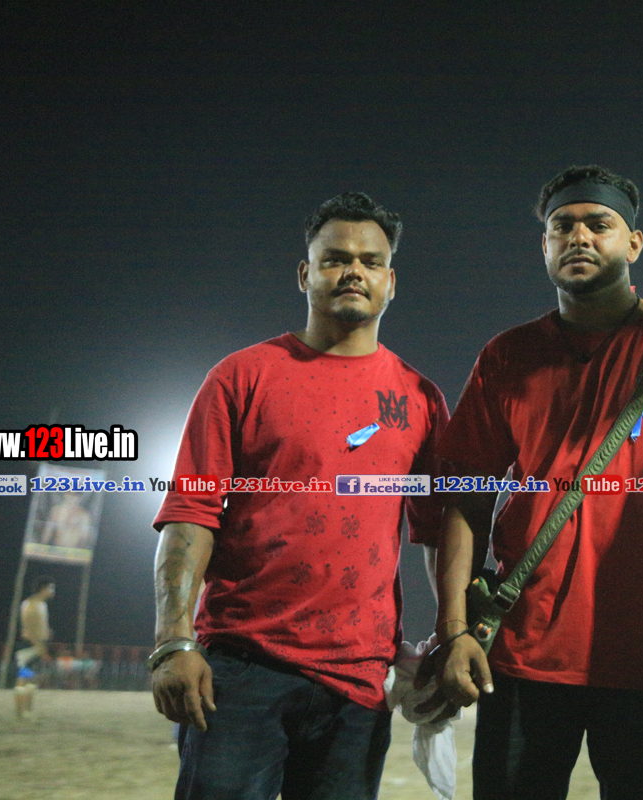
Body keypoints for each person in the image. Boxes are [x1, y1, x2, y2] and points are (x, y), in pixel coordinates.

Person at [431, 165, 643, 799]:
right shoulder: (507, 356)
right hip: (523, 653)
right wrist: (455, 629)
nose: (578, 236)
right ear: (544, 246)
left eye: (598, 224)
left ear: (634, 243)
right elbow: (465, 499)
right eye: (562, 226)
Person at [150, 191, 448, 800]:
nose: (353, 272)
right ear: (304, 273)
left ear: (391, 282)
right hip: (241, 668)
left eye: (370, 261)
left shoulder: (420, 399)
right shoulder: (241, 376)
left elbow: (438, 532)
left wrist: (450, 636)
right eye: (335, 258)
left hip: (359, 682)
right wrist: (173, 639)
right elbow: (190, 513)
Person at [15, 575, 55, 720]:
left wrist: (46, 632)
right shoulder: (30, 604)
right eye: (51, 588)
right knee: (24, 679)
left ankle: (27, 710)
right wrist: (38, 645)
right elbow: (28, 628)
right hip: (28, 646)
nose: (53, 591)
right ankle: (21, 712)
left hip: (36, 645)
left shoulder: (41, 604)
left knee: (31, 680)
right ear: (43, 589)